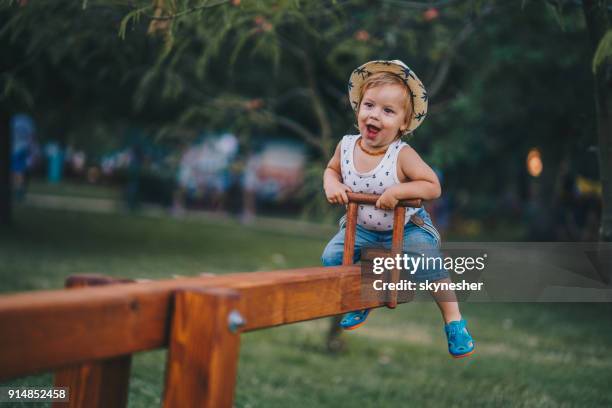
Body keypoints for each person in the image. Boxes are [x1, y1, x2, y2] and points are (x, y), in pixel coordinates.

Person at [321, 60, 475, 358]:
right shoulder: (346, 146)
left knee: (428, 264)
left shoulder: (402, 154)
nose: (375, 115)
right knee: (331, 256)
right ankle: (360, 300)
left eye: (388, 111)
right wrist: (332, 185)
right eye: (369, 105)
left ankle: (454, 322)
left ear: (403, 123)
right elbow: (331, 170)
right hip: (362, 228)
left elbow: (432, 186)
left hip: (406, 228)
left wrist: (398, 191)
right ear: (358, 109)